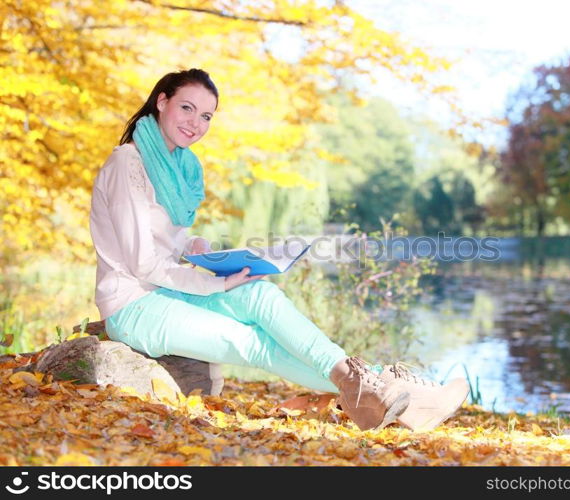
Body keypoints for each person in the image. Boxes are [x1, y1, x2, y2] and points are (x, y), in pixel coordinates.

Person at [90, 68, 468, 431]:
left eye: (206, 115)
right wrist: (216, 285)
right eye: (187, 107)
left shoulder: (180, 167)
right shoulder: (129, 162)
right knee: (254, 343)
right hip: (135, 305)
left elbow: (160, 238)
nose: (195, 122)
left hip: (166, 291)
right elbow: (142, 263)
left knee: (261, 295)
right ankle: (390, 392)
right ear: (161, 101)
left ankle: (384, 392)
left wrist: (194, 246)